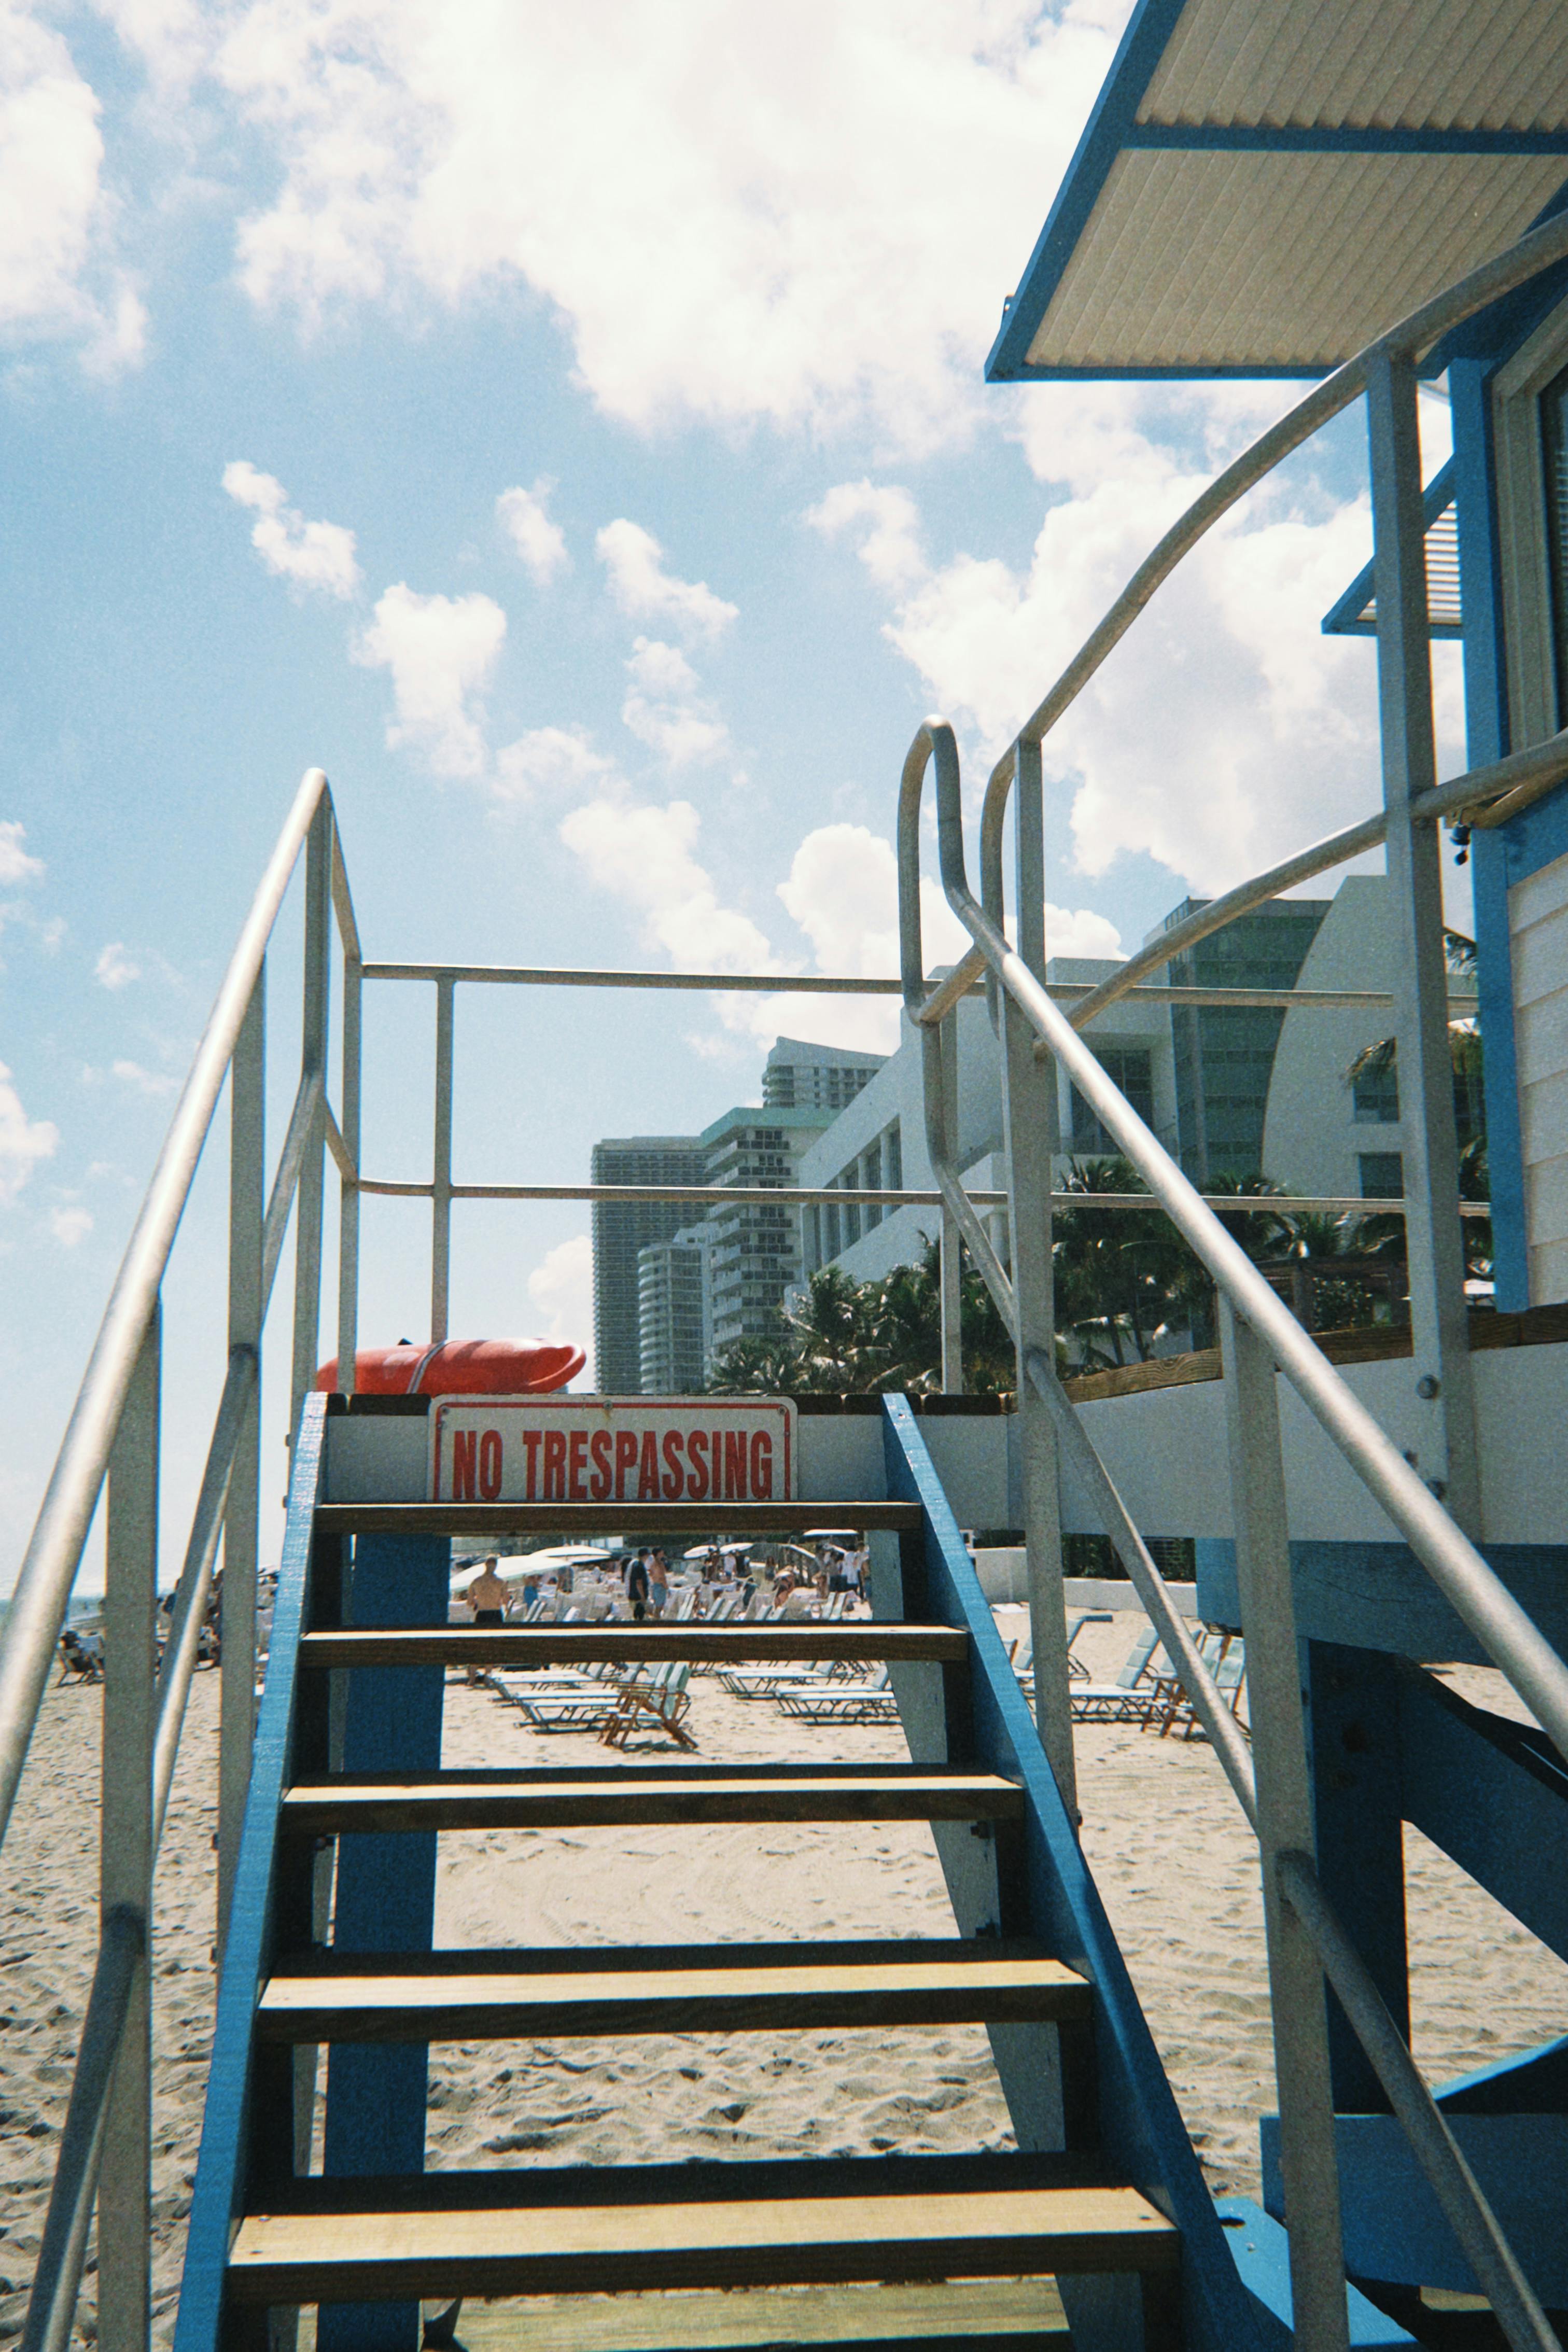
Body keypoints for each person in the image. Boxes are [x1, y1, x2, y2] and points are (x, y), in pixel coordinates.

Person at [465, 1555, 509, 1686]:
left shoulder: (476, 1581)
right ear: (495, 1566)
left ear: (485, 1565)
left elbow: (469, 1602)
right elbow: (506, 1601)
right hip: (495, 1613)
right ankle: (488, 1678)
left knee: (478, 1645)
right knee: (492, 1646)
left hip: (482, 1614)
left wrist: (479, 1602)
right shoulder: (500, 1582)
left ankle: (472, 1678)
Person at [626, 1549, 651, 1621]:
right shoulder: (639, 1566)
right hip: (638, 1597)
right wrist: (643, 1597)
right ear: (645, 1556)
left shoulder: (637, 1564)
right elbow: (639, 1583)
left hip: (635, 1595)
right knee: (640, 1617)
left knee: (637, 1616)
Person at [649, 1549, 669, 1616]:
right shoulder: (660, 1564)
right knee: (659, 1607)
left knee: (657, 1606)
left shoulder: (653, 1564)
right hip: (661, 1586)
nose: (663, 1554)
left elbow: (651, 1574)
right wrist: (666, 1587)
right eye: (661, 1553)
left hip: (655, 1585)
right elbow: (662, 1577)